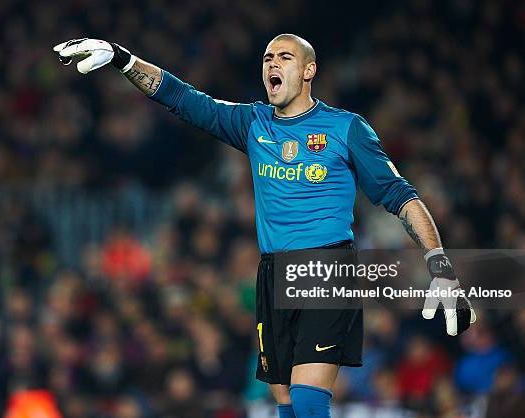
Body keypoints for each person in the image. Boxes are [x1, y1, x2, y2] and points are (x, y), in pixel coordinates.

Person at [53, 34, 476, 418]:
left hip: (326, 268)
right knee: (286, 406)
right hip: (272, 273)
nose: (273, 63)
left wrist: (437, 261)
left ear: (309, 71)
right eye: (268, 57)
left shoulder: (345, 128)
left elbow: (401, 196)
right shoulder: (254, 124)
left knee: (310, 401)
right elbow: (183, 99)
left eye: (285, 57)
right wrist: (123, 60)